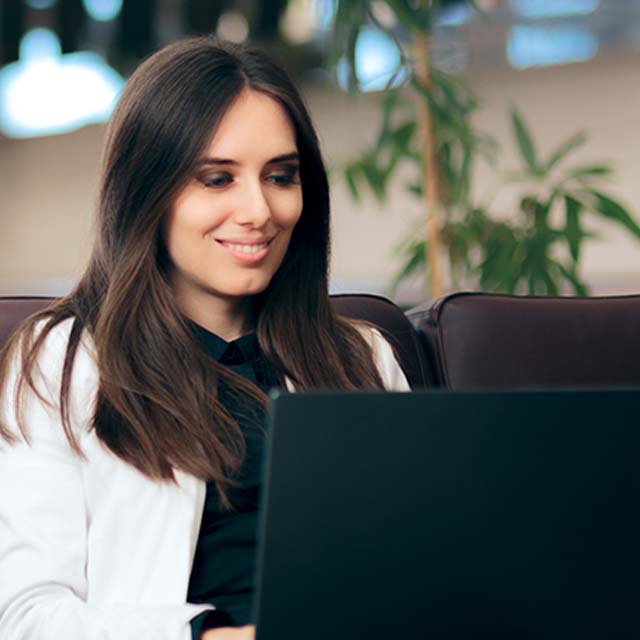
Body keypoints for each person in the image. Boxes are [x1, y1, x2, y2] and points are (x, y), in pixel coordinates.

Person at [0, 37, 409, 640]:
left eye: (281, 176)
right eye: (217, 179)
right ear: (147, 192)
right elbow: (26, 617)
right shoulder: (61, 362)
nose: (259, 210)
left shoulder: (361, 356)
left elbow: (424, 564)